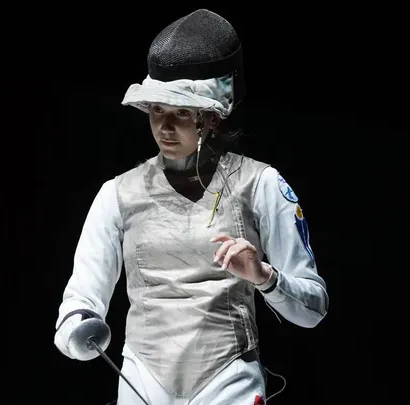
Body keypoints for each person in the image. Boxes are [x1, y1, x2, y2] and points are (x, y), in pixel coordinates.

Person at [54, 9, 329, 405]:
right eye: (156, 110)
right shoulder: (117, 194)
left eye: (181, 112)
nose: (165, 127)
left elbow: (313, 308)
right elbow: (81, 297)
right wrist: (76, 327)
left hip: (229, 379)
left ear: (212, 118)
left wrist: (264, 276)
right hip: (143, 377)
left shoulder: (261, 184)